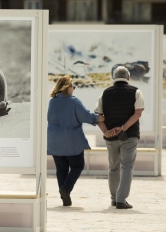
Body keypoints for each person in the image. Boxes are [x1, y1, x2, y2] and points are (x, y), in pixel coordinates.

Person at [47, 75, 105, 206]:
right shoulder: (74, 101)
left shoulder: (52, 102)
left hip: (54, 141)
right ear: (68, 88)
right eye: (73, 86)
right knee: (77, 166)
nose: (73, 89)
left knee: (61, 169)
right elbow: (86, 116)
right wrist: (102, 118)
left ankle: (64, 198)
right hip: (71, 141)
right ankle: (65, 189)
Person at [95, 66, 144, 209]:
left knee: (113, 167)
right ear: (128, 78)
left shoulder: (105, 93)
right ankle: (121, 199)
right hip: (129, 136)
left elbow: (99, 116)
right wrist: (123, 128)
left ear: (114, 78)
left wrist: (106, 131)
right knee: (127, 166)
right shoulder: (136, 91)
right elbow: (138, 113)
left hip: (110, 138)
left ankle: (114, 198)